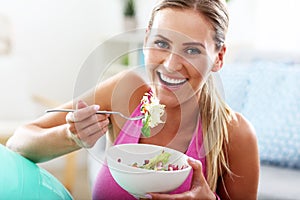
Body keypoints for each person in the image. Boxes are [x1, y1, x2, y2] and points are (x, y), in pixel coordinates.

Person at [6, 0, 259, 199]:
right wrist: (71, 136)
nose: (170, 65)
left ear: (219, 57)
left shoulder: (235, 133)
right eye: (161, 43)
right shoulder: (126, 91)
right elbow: (19, 142)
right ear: (147, 39)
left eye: (192, 50)